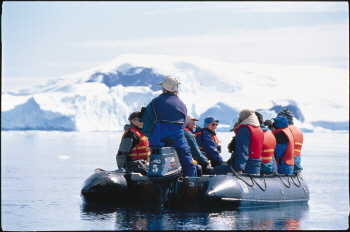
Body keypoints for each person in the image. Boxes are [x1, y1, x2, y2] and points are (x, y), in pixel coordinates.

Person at [141, 76, 196, 177]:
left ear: (164, 88)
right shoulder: (182, 105)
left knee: (156, 161)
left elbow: (147, 125)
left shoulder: (154, 102)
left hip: (159, 140)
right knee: (188, 162)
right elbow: (183, 125)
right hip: (178, 140)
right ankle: (190, 183)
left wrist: (152, 138)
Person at [212, 109, 263, 175]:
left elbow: (242, 150)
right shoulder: (259, 129)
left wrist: (239, 169)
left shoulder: (244, 130)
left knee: (216, 170)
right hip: (256, 167)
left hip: (246, 167)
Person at [116, 111, 150, 175]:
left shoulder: (145, 133)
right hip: (133, 166)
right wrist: (121, 167)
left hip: (145, 164)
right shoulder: (130, 134)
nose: (142, 122)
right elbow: (122, 152)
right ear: (132, 121)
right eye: (140, 120)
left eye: (143, 120)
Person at [277, 108, 304, 174]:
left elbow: (278, 150)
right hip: (297, 164)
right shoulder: (298, 130)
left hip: (285, 164)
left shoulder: (284, 131)